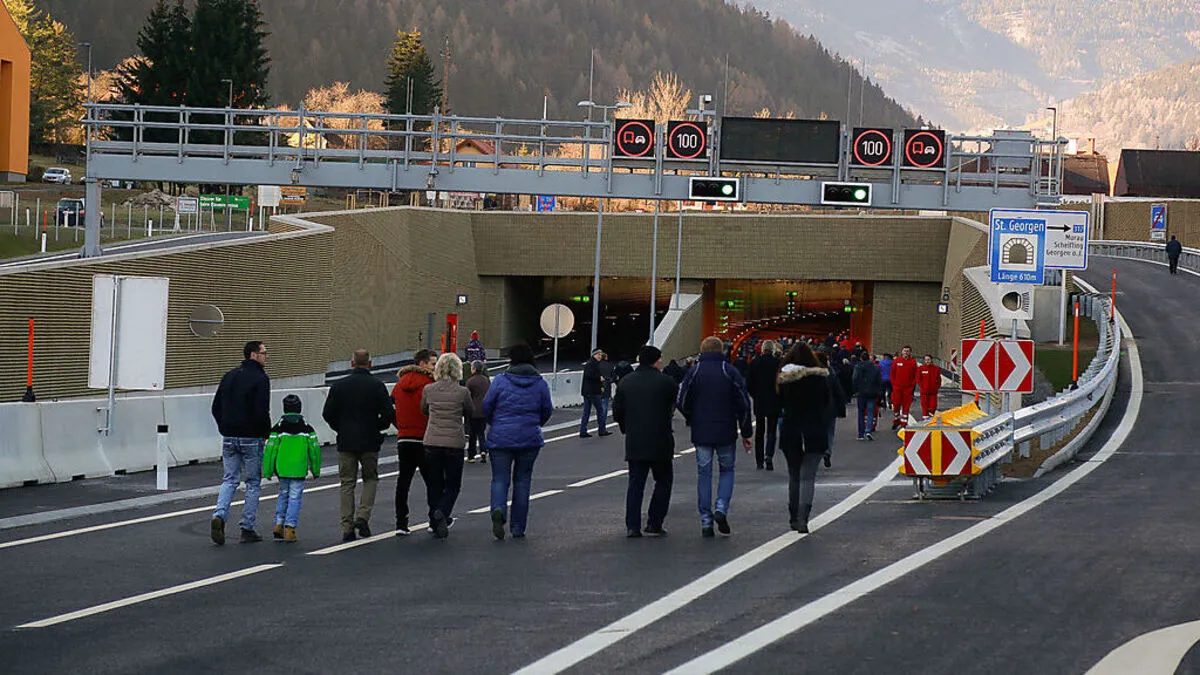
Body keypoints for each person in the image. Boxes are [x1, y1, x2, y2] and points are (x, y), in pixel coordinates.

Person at [677, 336, 753, 538]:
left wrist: (691, 418)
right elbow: (744, 404)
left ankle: (705, 520)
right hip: (726, 430)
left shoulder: (694, 372)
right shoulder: (730, 371)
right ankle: (721, 506)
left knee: (704, 474)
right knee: (727, 470)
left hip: (701, 430)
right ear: (722, 351)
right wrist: (746, 433)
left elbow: (681, 400)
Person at [483, 344, 553, 540]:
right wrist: (535, 424)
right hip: (529, 438)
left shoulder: (500, 381)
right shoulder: (540, 383)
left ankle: (498, 510)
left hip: (500, 438)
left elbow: (487, 405)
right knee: (522, 482)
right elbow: (547, 409)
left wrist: (495, 423)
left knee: (499, 479)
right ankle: (518, 527)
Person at [324, 349, 394, 541]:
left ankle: (347, 527)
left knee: (347, 482)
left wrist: (340, 427)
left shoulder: (340, 386)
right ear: (369, 364)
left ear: (352, 363)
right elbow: (388, 414)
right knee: (370, 479)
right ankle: (362, 516)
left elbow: (327, 414)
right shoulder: (377, 386)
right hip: (370, 440)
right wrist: (378, 426)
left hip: (346, 440)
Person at [210, 341, 271, 546]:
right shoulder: (261, 378)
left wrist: (223, 427)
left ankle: (219, 514)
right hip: (251, 437)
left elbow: (216, 406)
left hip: (229, 435)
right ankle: (247, 527)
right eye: (264, 353)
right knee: (253, 482)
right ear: (254, 355)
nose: (266, 356)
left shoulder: (230, 375)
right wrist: (265, 433)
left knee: (229, 479)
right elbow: (262, 410)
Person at [613, 345, 678, 538]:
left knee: (635, 484)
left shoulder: (626, 382)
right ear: (655, 360)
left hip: (636, 440)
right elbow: (675, 404)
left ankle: (632, 526)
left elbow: (617, 411)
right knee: (664, 481)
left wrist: (627, 428)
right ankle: (654, 522)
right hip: (661, 439)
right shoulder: (666, 382)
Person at [777, 342, 831, 533]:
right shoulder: (819, 378)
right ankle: (803, 518)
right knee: (808, 477)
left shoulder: (785, 378)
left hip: (791, 429)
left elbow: (780, 403)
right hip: (814, 430)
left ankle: (792, 516)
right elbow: (826, 402)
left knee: (794, 475)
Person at [421, 353, 475, 539]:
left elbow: (424, 410)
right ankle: (443, 512)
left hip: (432, 441)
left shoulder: (429, 389)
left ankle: (435, 517)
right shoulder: (463, 392)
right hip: (454, 442)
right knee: (453, 484)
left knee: (434, 483)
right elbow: (470, 412)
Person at [262, 394, 321, 543]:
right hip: (299, 469)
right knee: (295, 498)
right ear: (299, 408)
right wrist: (315, 470)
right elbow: (314, 451)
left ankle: (278, 523)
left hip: (282, 469)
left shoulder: (277, 428)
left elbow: (270, 450)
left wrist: (268, 470)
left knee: (283, 495)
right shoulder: (307, 428)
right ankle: (290, 528)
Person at [392, 349, 437, 536]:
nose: (435, 367)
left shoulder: (399, 385)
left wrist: (400, 425)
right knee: (432, 481)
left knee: (403, 481)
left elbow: (390, 407)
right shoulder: (429, 384)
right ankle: (434, 520)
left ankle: (401, 523)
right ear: (423, 364)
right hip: (424, 437)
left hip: (404, 437)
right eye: (433, 363)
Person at [746, 340, 782, 471]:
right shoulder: (778, 364)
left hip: (759, 400)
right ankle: (769, 456)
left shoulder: (754, 363)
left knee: (759, 432)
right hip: (774, 400)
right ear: (772, 350)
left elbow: (748, 383)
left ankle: (759, 460)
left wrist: (755, 395)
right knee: (771, 431)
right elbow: (781, 382)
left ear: (762, 350)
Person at [817, 353, 846, 468]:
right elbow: (838, 392)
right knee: (830, 431)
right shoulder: (831, 374)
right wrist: (841, 409)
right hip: (830, 407)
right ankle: (827, 451)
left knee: (817, 431)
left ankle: (817, 452)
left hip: (816, 408)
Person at [579, 349, 610, 438]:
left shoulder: (591, 363)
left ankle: (583, 431)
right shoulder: (592, 364)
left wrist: (600, 385)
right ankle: (602, 430)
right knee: (600, 411)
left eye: (601, 355)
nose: (600, 356)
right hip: (592, 392)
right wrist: (599, 378)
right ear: (594, 355)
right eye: (599, 355)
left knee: (586, 412)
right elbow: (590, 375)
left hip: (587, 391)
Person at [852, 352, 882, 441]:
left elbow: (854, 378)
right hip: (872, 392)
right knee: (870, 412)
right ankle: (868, 429)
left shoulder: (858, 367)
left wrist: (855, 390)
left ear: (861, 358)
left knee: (861, 412)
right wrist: (878, 392)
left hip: (861, 392)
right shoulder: (875, 368)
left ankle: (860, 434)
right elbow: (879, 381)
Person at [466, 360, 491, 463]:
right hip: (484, 410)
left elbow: (467, 396)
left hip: (473, 411)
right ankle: (483, 451)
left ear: (474, 369)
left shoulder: (470, 381)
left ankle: (471, 456)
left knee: (472, 434)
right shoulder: (486, 380)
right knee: (481, 432)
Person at [890, 346, 917, 430]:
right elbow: (892, 374)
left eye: (908, 351)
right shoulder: (897, 361)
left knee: (906, 406)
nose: (906, 352)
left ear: (910, 353)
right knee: (896, 404)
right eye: (904, 351)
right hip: (897, 388)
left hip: (908, 389)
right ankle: (896, 419)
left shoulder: (913, 362)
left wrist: (912, 385)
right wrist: (894, 384)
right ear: (901, 352)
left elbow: (915, 375)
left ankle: (904, 424)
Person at [917, 355, 942, 420]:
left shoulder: (936, 369)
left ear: (931, 360)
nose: (927, 361)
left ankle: (931, 418)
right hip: (924, 392)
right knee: (925, 407)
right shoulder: (921, 368)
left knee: (933, 407)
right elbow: (918, 379)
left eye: (928, 359)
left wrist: (937, 387)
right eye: (926, 360)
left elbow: (939, 379)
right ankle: (925, 420)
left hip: (933, 392)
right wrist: (922, 387)